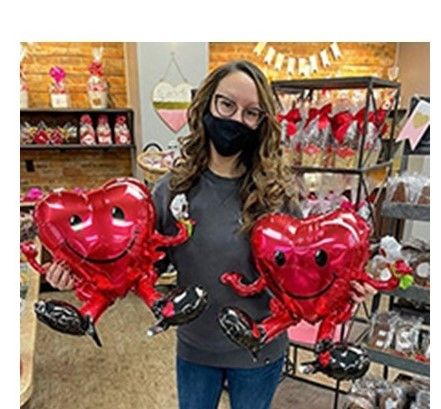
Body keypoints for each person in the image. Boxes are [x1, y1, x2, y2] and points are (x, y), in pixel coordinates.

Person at [45, 60, 376, 409]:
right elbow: (138, 266)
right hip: (196, 347)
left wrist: (346, 288)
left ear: (262, 123)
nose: (236, 119)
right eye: (226, 105)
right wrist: (79, 274)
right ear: (206, 104)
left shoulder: (277, 195)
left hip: (259, 349)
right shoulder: (170, 190)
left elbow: (306, 273)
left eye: (251, 113)